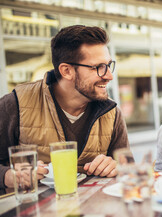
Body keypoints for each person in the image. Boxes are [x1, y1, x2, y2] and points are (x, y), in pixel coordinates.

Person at [0, 25, 129, 191]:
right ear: (67, 71)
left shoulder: (112, 112)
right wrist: (8, 176)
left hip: (94, 212)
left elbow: (129, 168)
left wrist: (116, 166)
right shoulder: (16, 104)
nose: (109, 76)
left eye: (109, 65)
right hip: (31, 213)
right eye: (98, 67)